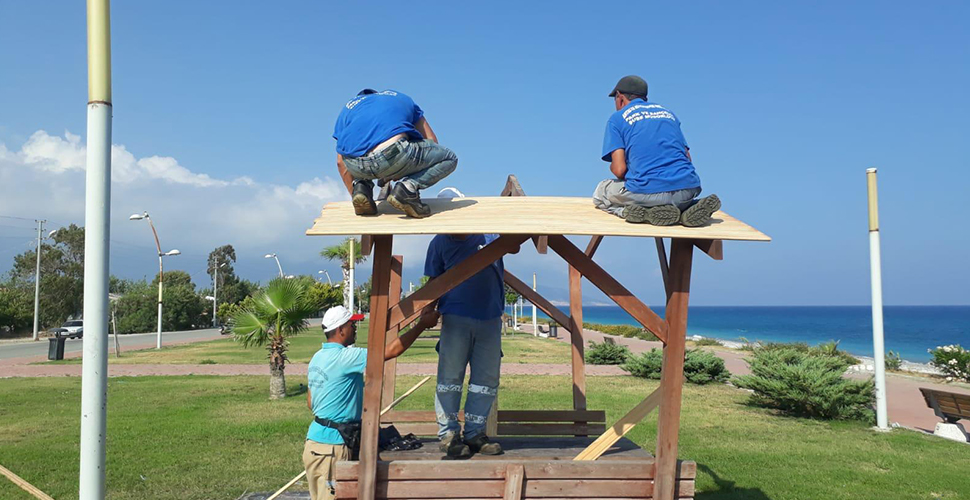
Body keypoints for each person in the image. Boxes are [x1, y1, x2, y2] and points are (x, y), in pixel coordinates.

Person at [303, 305, 439, 500]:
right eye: (352, 325)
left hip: (315, 443)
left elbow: (311, 402)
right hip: (332, 447)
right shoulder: (345, 357)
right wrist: (421, 326)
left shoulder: (317, 358)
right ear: (341, 330)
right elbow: (391, 350)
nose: (355, 328)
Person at [424, 188, 508, 458]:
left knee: (486, 380)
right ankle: (449, 434)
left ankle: (475, 433)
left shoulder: (489, 234)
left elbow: (514, 244)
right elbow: (433, 282)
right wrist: (428, 310)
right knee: (449, 379)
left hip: (490, 318)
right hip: (455, 318)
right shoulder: (439, 243)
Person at [592, 75, 721, 227]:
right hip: (688, 188)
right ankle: (689, 207)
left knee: (601, 191)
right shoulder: (669, 114)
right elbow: (688, 158)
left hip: (648, 194)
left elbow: (619, 170)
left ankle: (640, 214)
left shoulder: (617, 118)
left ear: (620, 97)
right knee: (670, 194)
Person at [333, 89, 458, 219]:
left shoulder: (348, 109)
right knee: (450, 158)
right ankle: (407, 189)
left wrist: (355, 196)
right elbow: (432, 141)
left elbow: (340, 162)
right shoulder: (400, 98)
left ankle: (361, 188)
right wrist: (404, 170)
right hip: (394, 153)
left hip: (355, 166)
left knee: (355, 151)